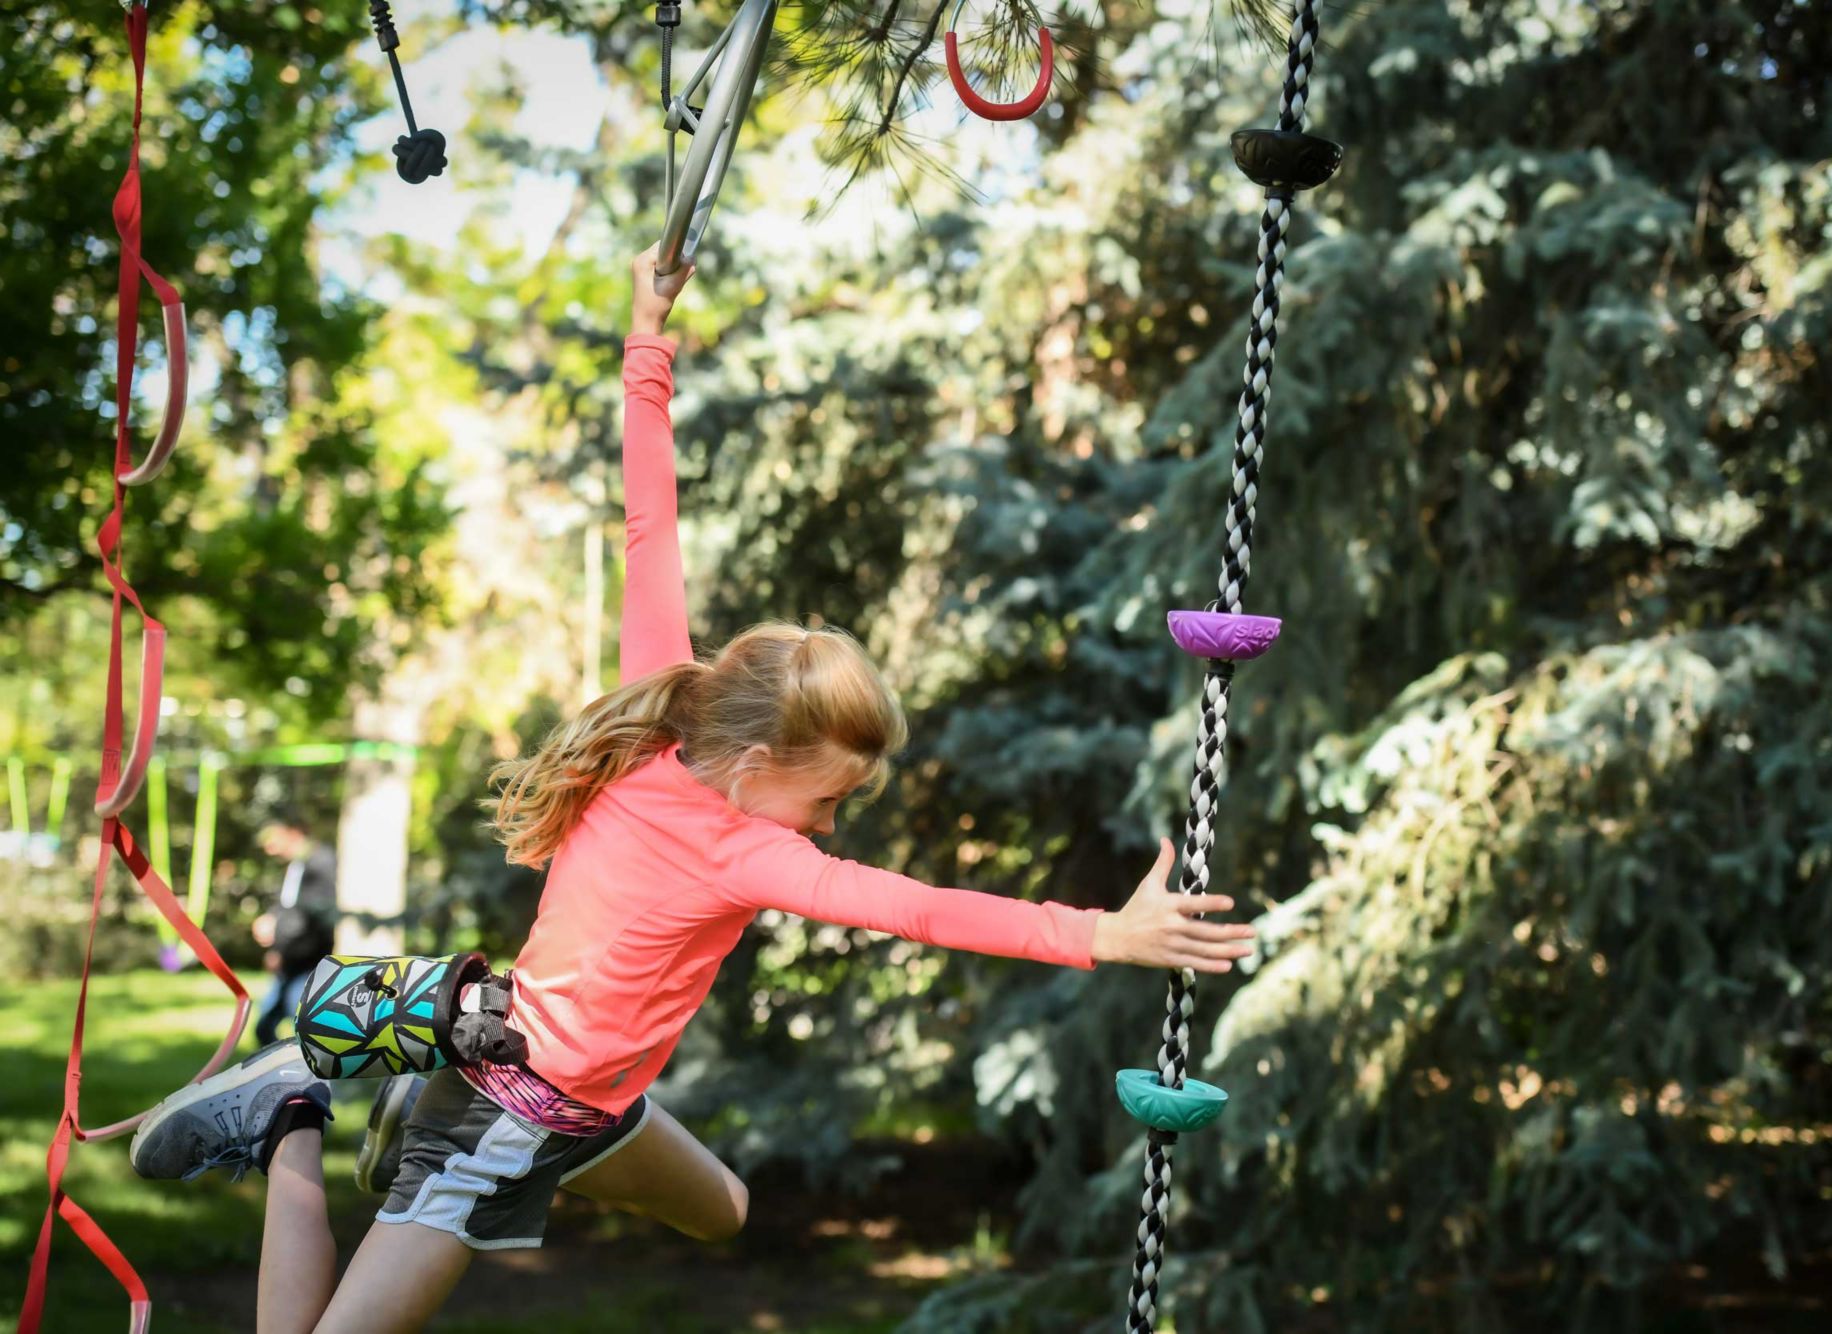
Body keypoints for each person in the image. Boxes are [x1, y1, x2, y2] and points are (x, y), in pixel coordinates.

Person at [126, 253, 1254, 1333]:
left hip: (587, 1090)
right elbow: (918, 906)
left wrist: (646, 336)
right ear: (759, 768)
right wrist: (1104, 933)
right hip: (512, 1103)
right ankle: (290, 1114)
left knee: (725, 1209)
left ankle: (412, 1098)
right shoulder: (744, 844)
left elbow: (649, 525)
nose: (828, 824)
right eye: (827, 799)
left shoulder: (662, 710)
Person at [250, 822, 339, 1047]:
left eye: (274, 840)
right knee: (265, 1026)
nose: (270, 849)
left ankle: (304, 1070)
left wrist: (280, 945)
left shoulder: (320, 863)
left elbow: (308, 914)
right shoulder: (296, 865)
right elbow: (287, 905)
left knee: (302, 1024)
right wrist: (271, 920)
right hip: (291, 960)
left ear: (294, 832)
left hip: (306, 958)